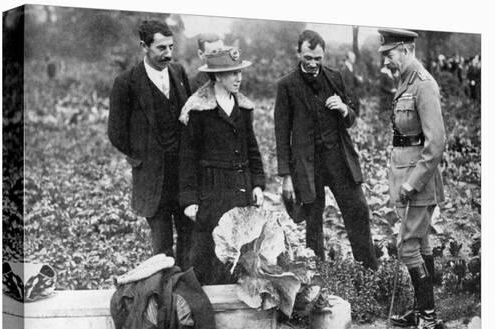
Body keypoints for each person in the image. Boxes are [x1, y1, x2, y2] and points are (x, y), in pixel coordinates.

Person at [274, 30, 378, 270]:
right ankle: (318, 278)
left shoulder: (335, 77)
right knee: (313, 223)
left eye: (317, 58)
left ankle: (370, 271)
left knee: (358, 210)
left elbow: (352, 115)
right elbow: (281, 133)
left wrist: (343, 108)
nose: (312, 63)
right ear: (298, 53)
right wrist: (286, 176)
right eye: (307, 57)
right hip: (308, 167)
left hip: (338, 160)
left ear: (323, 56)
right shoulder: (286, 86)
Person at [107, 19, 193, 268]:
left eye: (171, 47)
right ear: (144, 46)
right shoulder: (126, 83)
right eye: (161, 48)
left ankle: (186, 296)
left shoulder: (178, 73)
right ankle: (164, 298)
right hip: (152, 180)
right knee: (162, 250)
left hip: (183, 177)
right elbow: (116, 133)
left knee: (189, 240)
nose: (168, 54)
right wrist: (143, 155)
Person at [378, 28, 446, 329]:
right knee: (420, 243)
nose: (387, 61)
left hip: (418, 182)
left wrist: (412, 182)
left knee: (406, 247)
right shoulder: (404, 81)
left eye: (390, 54)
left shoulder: (423, 84)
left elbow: (436, 143)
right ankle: (422, 311)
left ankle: (429, 320)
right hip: (403, 174)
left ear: (405, 49)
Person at [178, 47, 266, 285]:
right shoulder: (197, 109)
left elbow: (252, 149)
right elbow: (187, 158)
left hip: (241, 188)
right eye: (231, 73)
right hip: (212, 191)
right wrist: (189, 200)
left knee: (241, 252)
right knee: (210, 253)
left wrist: (257, 184)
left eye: (239, 72)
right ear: (217, 76)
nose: (238, 78)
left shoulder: (243, 108)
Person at [340, 51, 363, 116]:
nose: (354, 59)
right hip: (347, 93)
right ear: (348, 58)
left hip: (354, 92)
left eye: (354, 58)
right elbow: (342, 82)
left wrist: (359, 79)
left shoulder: (353, 67)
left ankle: (357, 121)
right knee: (349, 109)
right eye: (352, 58)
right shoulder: (343, 68)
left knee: (356, 106)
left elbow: (355, 80)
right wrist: (348, 93)